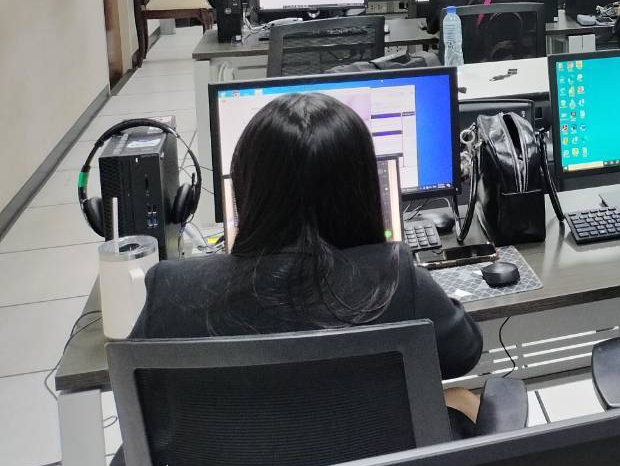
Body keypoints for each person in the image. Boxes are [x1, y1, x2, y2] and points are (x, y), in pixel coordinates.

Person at [129, 93, 486, 434]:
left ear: (245, 185)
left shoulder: (171, 289)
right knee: (462, 399)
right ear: (362, 188)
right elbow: (464, 353)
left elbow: (141, 397)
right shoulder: (396, 279)